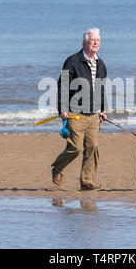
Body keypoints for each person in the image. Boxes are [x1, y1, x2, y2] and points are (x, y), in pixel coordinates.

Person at [51, 28, 107, 190]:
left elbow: (100, 89)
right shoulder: (73, 61)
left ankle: (87, 182)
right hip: (74, 113)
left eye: (98, 40)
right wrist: (62, 109)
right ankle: (58, 169)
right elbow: (62, 85)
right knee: (75, 147)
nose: (96, 43)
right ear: (84, 43)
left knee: (92, 148)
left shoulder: (100, 64)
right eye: (92, 40)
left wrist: (102, 110)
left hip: (92, 115)